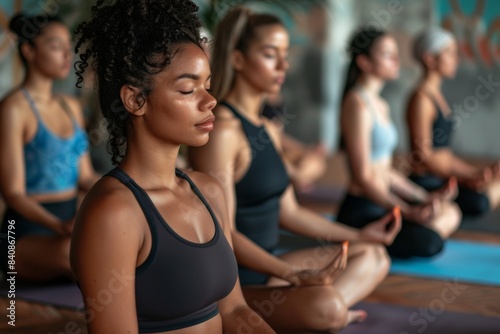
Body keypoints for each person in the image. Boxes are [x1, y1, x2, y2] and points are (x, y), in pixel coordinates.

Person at [188, 7, 401, 333]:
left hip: (272, 266)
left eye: (286, 55)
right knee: (325, 305)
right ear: (238, 59)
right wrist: (293, 275)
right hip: (234, 286)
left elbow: (290, 212)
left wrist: (360, 235)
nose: (283, 66)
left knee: (374, 254)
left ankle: (324, 311)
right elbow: (224, 235)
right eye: (270, 55)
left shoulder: (267, 129)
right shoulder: (223, 132)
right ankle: (326, 312)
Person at [70, 1, 275, 333]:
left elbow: (236, 310)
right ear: (135, 100)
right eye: (187, 89)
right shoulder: (113, 213)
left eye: (207, 86)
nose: (210, 101)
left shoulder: (208, 189)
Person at [337, 28, 462, 259]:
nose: (396, 60)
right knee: (430, 243)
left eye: (396, 53)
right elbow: (365, 177)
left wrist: (424, 197)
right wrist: (407, 211)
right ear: (364, 62)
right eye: (387, 54)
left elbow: (384, 172)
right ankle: (365, 241)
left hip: (383, 203)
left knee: (450, 212)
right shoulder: (356, 104)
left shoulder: (380, 105)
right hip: (362, 208)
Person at [0, 13, 99, 282]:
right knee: (82, 254)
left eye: (69, 47)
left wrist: (132, 189)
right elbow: (13, 193)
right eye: (56, 47)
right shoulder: (13, 109)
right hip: (26, 231)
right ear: (29, 50)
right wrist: (58, 226)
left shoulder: (71, 107)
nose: (68, 55)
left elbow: (86, 177)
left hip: (69, 224)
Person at [407, 27, 500, 216]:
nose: (456, 59)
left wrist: (477, 173)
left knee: (495, 187)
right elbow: (423, 155)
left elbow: (444, 155)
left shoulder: (437, 96)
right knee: (480, 200)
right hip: (427, 182)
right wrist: (467, 177)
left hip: (442, 177)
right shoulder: (422, 100)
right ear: (429, 58)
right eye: (449, 53)